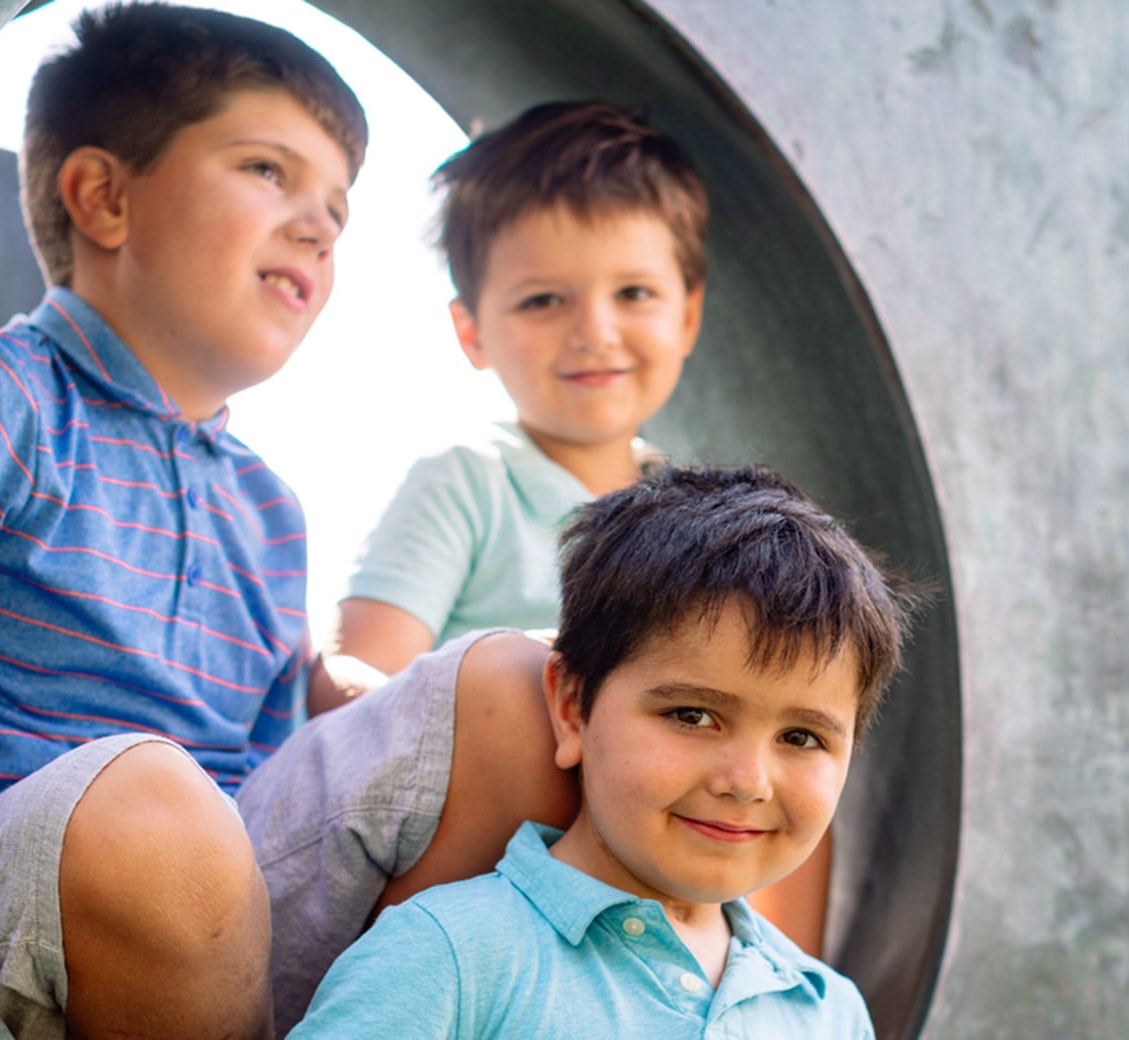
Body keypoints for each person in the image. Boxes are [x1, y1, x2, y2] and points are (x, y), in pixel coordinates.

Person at [0, 5, 364, 1035]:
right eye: (267, 170)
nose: (316, 223)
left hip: (209, 888)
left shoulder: (270, 508)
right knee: (157, 810)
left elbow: (269, 792)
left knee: (499, 696)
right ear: (102, 197)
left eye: (337, 209)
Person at [306, 100, 838, 962]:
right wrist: (510, 701)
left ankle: (759, 996)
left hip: (638, 844)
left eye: (633, 292)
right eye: (545, 299)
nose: (594, 329)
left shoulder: (697, 519)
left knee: (787, 767)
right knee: (524, 686)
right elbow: (367, 690)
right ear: (472, 331)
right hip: (484, 871)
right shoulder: (467, 482)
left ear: (688, 313)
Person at [286, 466, 914, 1038]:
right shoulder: (448, 957)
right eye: (692, 716)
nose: (747, 781)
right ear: (570, 708)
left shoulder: (829, 1011)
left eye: (801, 737)